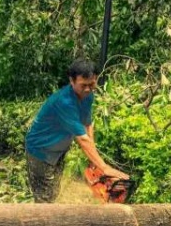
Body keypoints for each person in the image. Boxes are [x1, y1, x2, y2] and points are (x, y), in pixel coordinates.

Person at [25, 59, 129, 203]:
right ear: (72, 81)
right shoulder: (64, 102)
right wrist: (104, 167)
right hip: (40, 151)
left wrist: (93, 160)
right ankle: (41, 223)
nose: (87, 89)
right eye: (83, 85)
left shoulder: (88, 96)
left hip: (58, 151)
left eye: (91, 84)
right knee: (44, 199)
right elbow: (82, 138)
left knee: (54, 192)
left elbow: (87, 125)